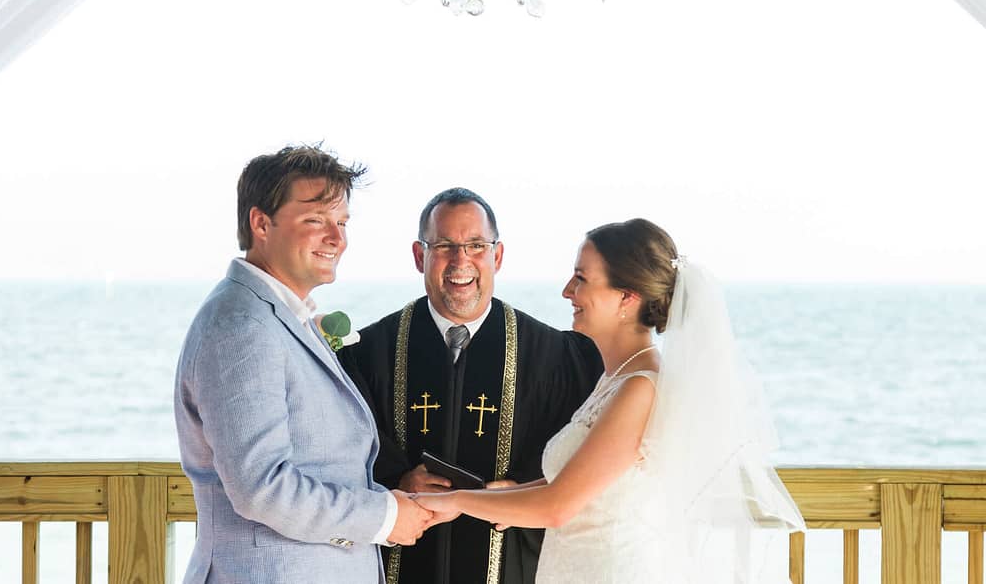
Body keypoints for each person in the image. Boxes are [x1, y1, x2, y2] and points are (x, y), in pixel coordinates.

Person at [415, 218, 806, 583]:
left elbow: (558, 505)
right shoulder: (615, 379)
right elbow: (583, 484)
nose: (568, 290)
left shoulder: (641, 388)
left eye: (582, 279)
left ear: (626, 298)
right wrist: (500, 495)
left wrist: (459, 502)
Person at [173, 145, 432, 584]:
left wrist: (391, 497)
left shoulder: (282, 317)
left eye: (342, 222)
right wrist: (384, 517)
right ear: (261, 223)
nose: (337, 238)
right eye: (316, 220)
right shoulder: (241, 326)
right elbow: (263, 489)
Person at [341, 188, 604, 584]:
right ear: (419, 256)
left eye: (476, 245)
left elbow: (583, 457)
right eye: (444, 245)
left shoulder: (557, 357)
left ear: (496, 256)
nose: (460, 261)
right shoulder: (368, 352)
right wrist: (396, 479)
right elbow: (341, 449)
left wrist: (520, 492)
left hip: (509, 563)